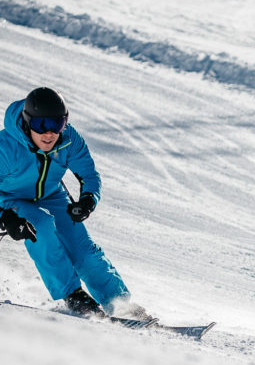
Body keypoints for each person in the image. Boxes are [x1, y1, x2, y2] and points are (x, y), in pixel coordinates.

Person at [0, 87, 148, 319]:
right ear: (28, 123)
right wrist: (5, 216)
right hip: (9, 198)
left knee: (82, 248)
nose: (49, 133)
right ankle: (73, 295)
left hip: (51, 194)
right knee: (41, 227)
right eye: (40, 125)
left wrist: (88, 200)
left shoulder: (69, 139)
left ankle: (119, 303)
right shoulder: (6, 147)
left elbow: (89, 174)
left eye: (57, 124)